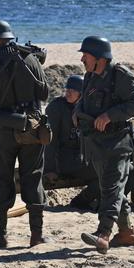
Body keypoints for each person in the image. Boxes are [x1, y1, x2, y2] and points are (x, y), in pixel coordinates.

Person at [0, 20, 49, 248]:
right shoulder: (31, 59)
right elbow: (44, 93)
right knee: (33, 178)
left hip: (2, 132)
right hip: (31, 128)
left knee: (2, 181)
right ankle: (36, 236)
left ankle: (1, 237)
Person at [75, 36, 134, 254]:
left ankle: (103, 234)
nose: (82, 59)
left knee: (111, 188)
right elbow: (84, 101)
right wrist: (77, 113)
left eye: (85, 55)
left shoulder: (120, 75)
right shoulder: (90, 76)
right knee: (114, 190)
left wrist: (110, 115)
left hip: (118, 143)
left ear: (99, 58)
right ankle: (126, 233)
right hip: (96, 143)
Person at [44, 74, 100, 211]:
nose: (68, 92)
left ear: (81, 94)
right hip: (65, 158)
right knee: (104, 172)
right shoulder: (57, 108)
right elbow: (50, 141)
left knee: (110, 170)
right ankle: (80, 201)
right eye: (67, 89)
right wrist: (50, 169)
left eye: (73, 90)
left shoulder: (86, 108)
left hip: (83, 156)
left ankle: (85, 200)